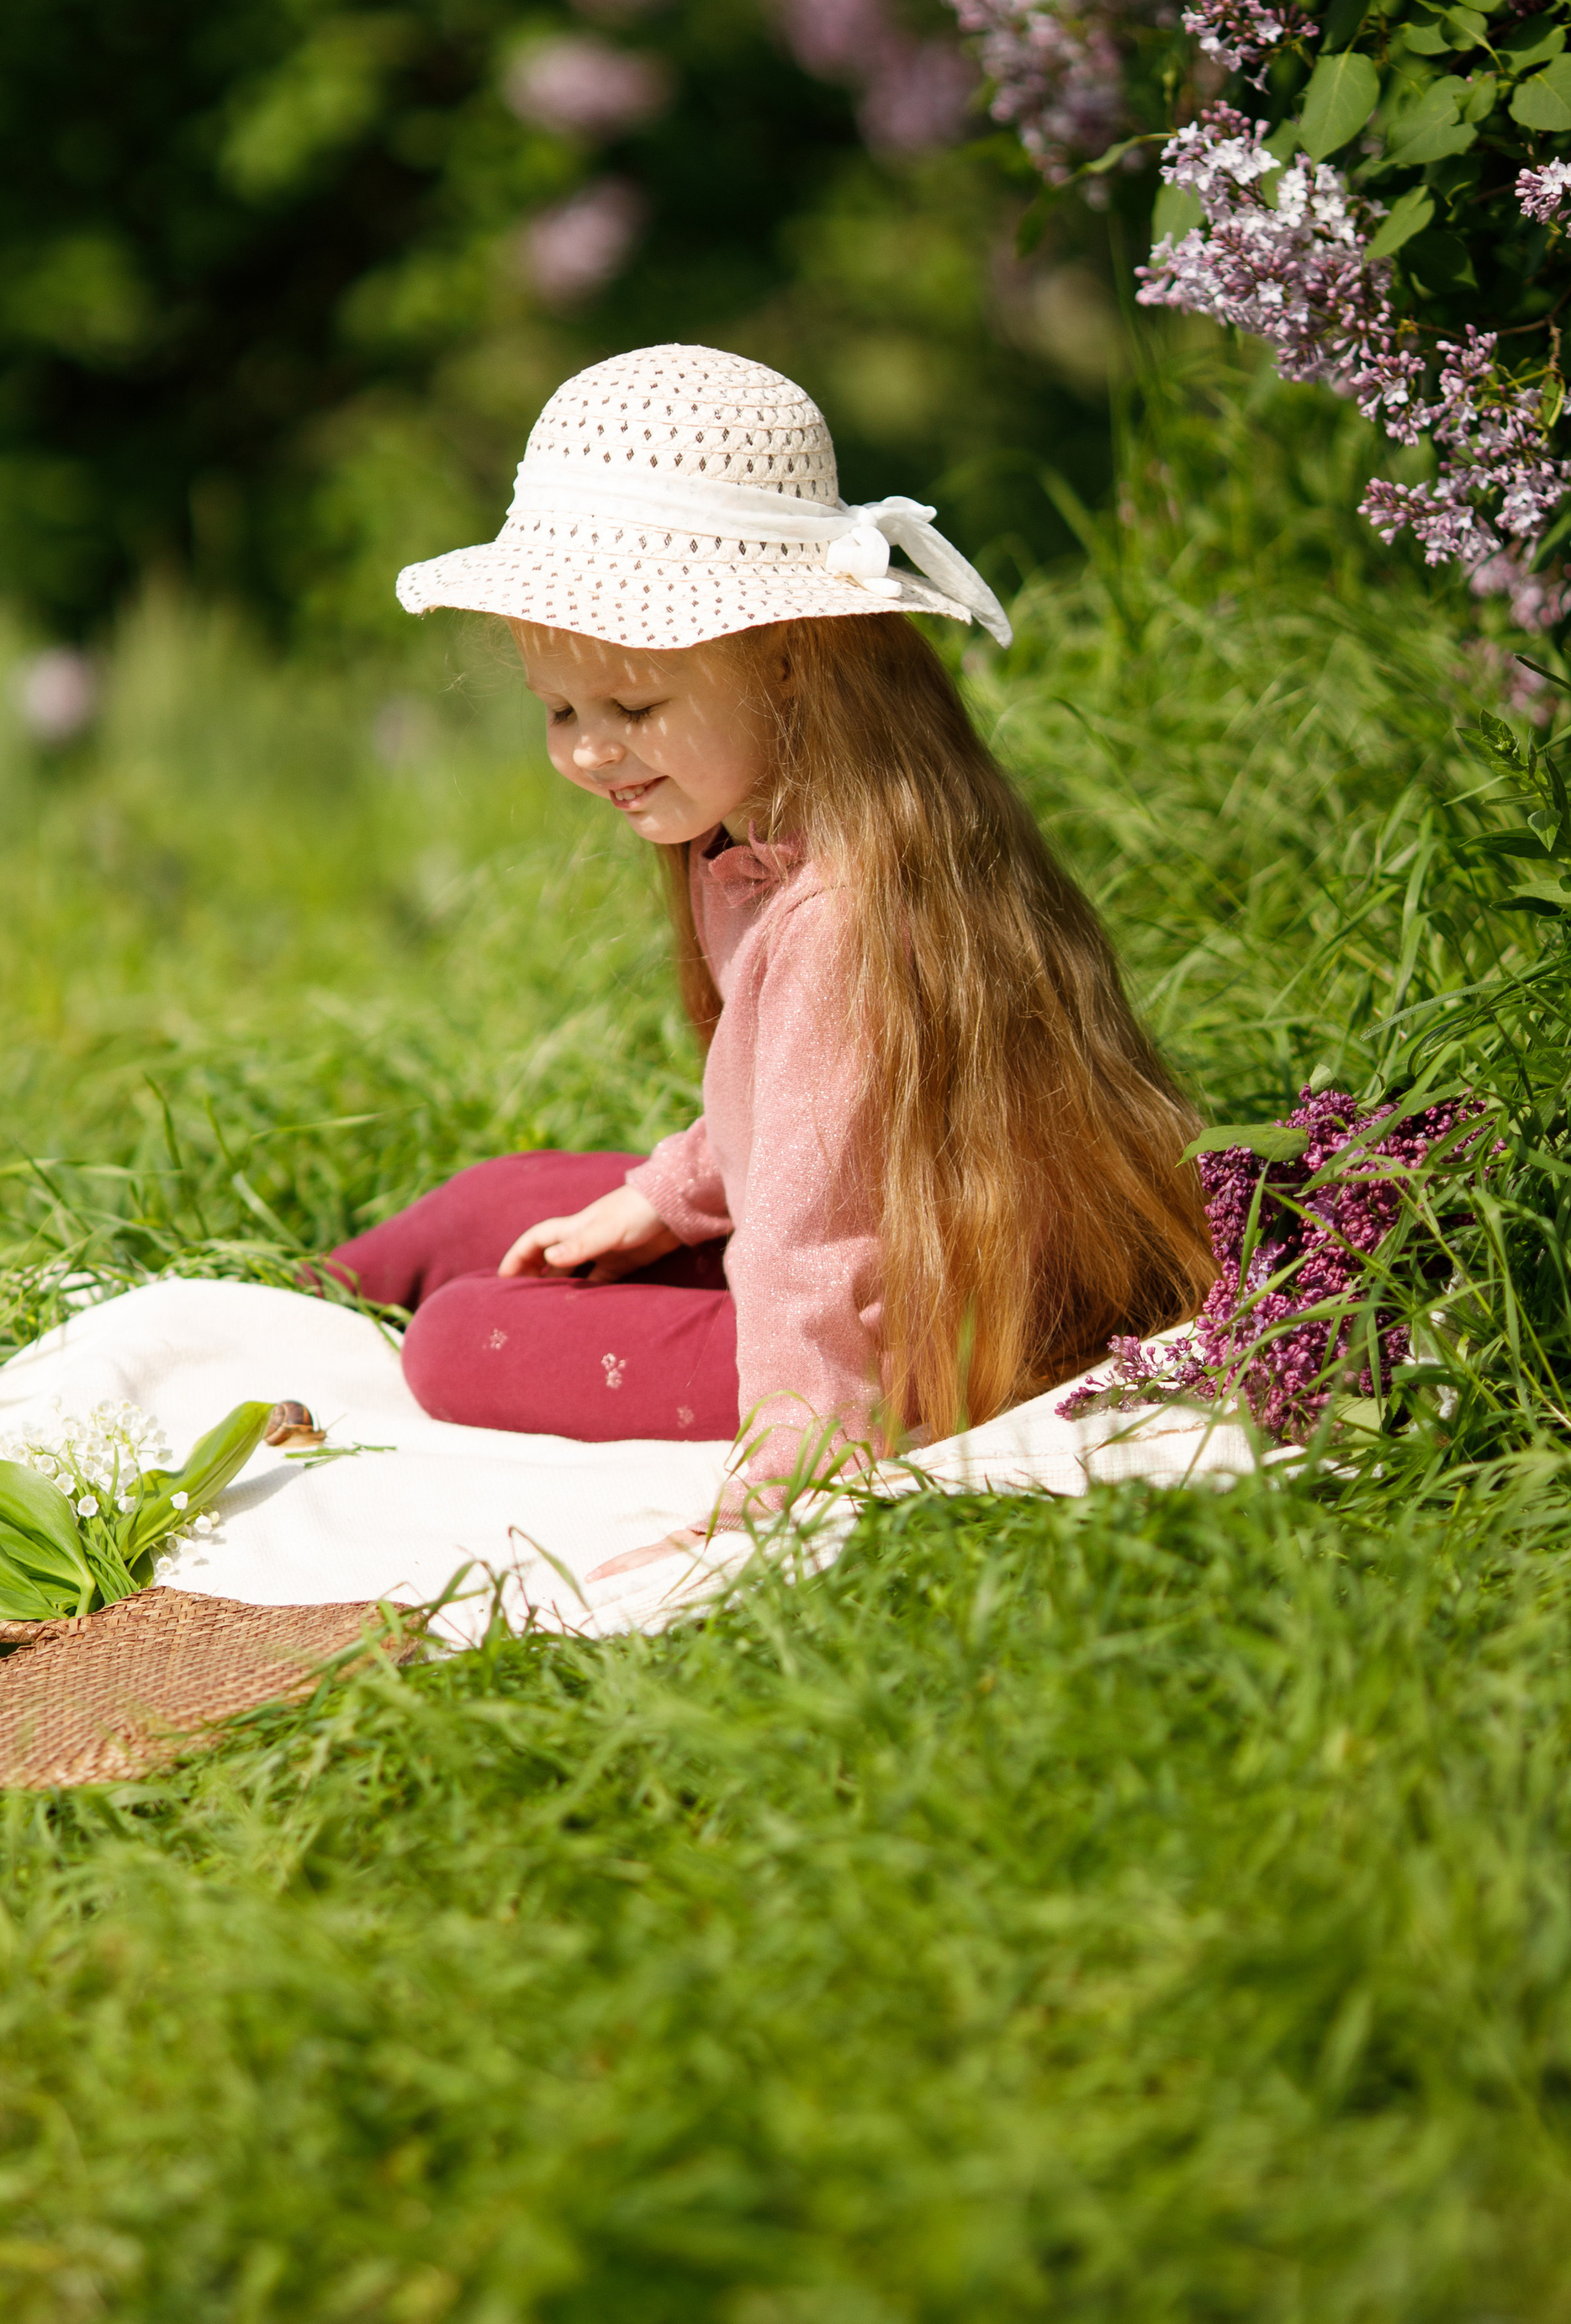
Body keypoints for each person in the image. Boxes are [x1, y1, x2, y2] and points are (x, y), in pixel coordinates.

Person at [321, 342, 1213, 1500]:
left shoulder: (839, 917)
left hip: (919, 1328)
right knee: (499, 1202)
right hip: (891, 1226)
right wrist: (667, 1195)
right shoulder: (754, 831)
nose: (591, 750)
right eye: (560, 709)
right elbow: (787, 1119)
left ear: (789, 665)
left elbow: (810, 1243)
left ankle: (343, 1325)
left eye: (634, 706)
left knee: (460, 1341)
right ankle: (276, 1294)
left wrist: (797, 1468)